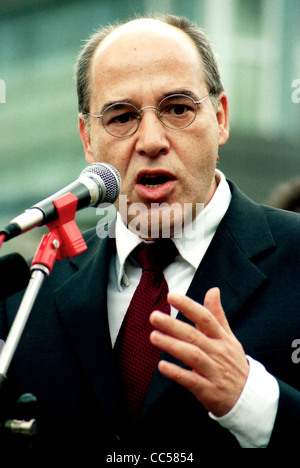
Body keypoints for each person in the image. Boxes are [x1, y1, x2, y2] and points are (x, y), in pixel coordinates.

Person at [0, 14, 299, 451]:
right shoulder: (29, 297)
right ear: (88, 139)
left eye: (178, 109)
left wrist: (253, 399)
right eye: (121, 117)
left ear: (220, 118)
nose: (152, 140)